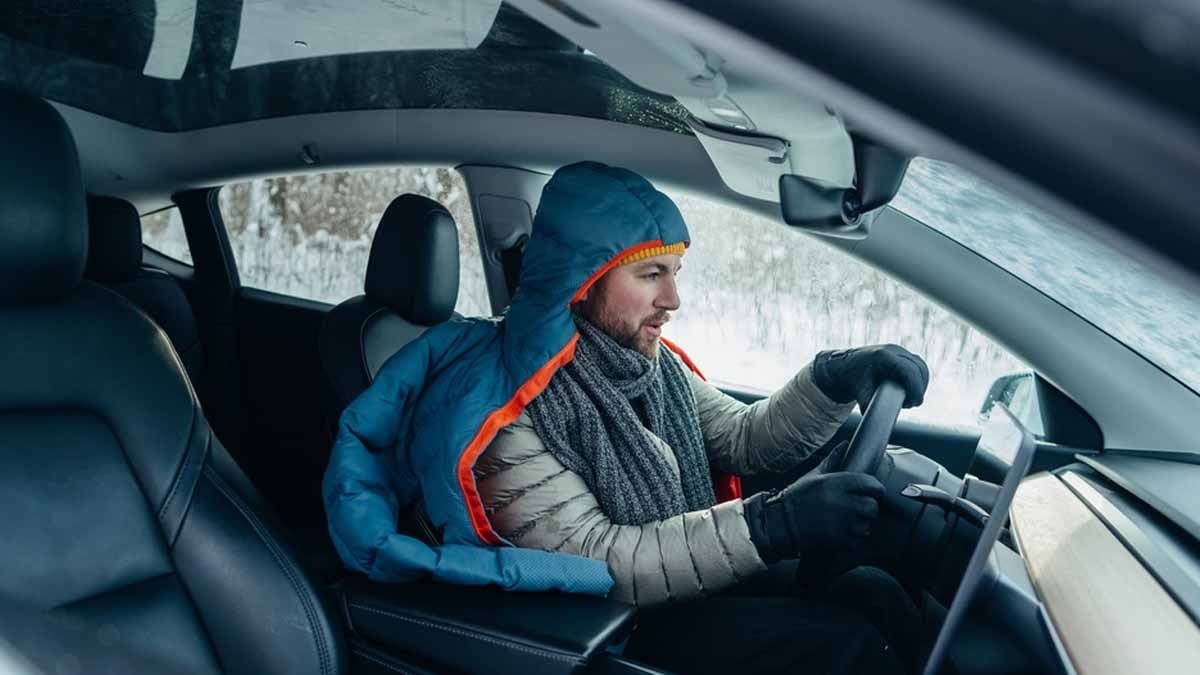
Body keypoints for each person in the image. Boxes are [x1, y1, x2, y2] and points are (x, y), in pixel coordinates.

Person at [323, 161, 928, 674]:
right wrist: (773, 526)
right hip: (615, 630)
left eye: (675, 274)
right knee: (848, 647)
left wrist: (832, 378)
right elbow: (604, 562)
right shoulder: (504, 412)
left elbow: (743, 440)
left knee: (871, 591)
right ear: (582, 282)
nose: (673, 300)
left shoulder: (642, 363)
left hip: (680, 590)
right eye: (650, 275)